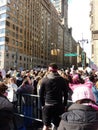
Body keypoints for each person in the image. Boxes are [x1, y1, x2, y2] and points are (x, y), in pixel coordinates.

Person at [39, 63, 68, 130]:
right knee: (57, 125)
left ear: (49, 70)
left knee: (46, 126)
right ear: (57, 70)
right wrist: (65, 104)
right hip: (59, 105)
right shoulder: (62, 80)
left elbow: (41, 94)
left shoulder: (44, 80)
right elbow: (66, 93)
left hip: (48, 105)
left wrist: (43, 104)